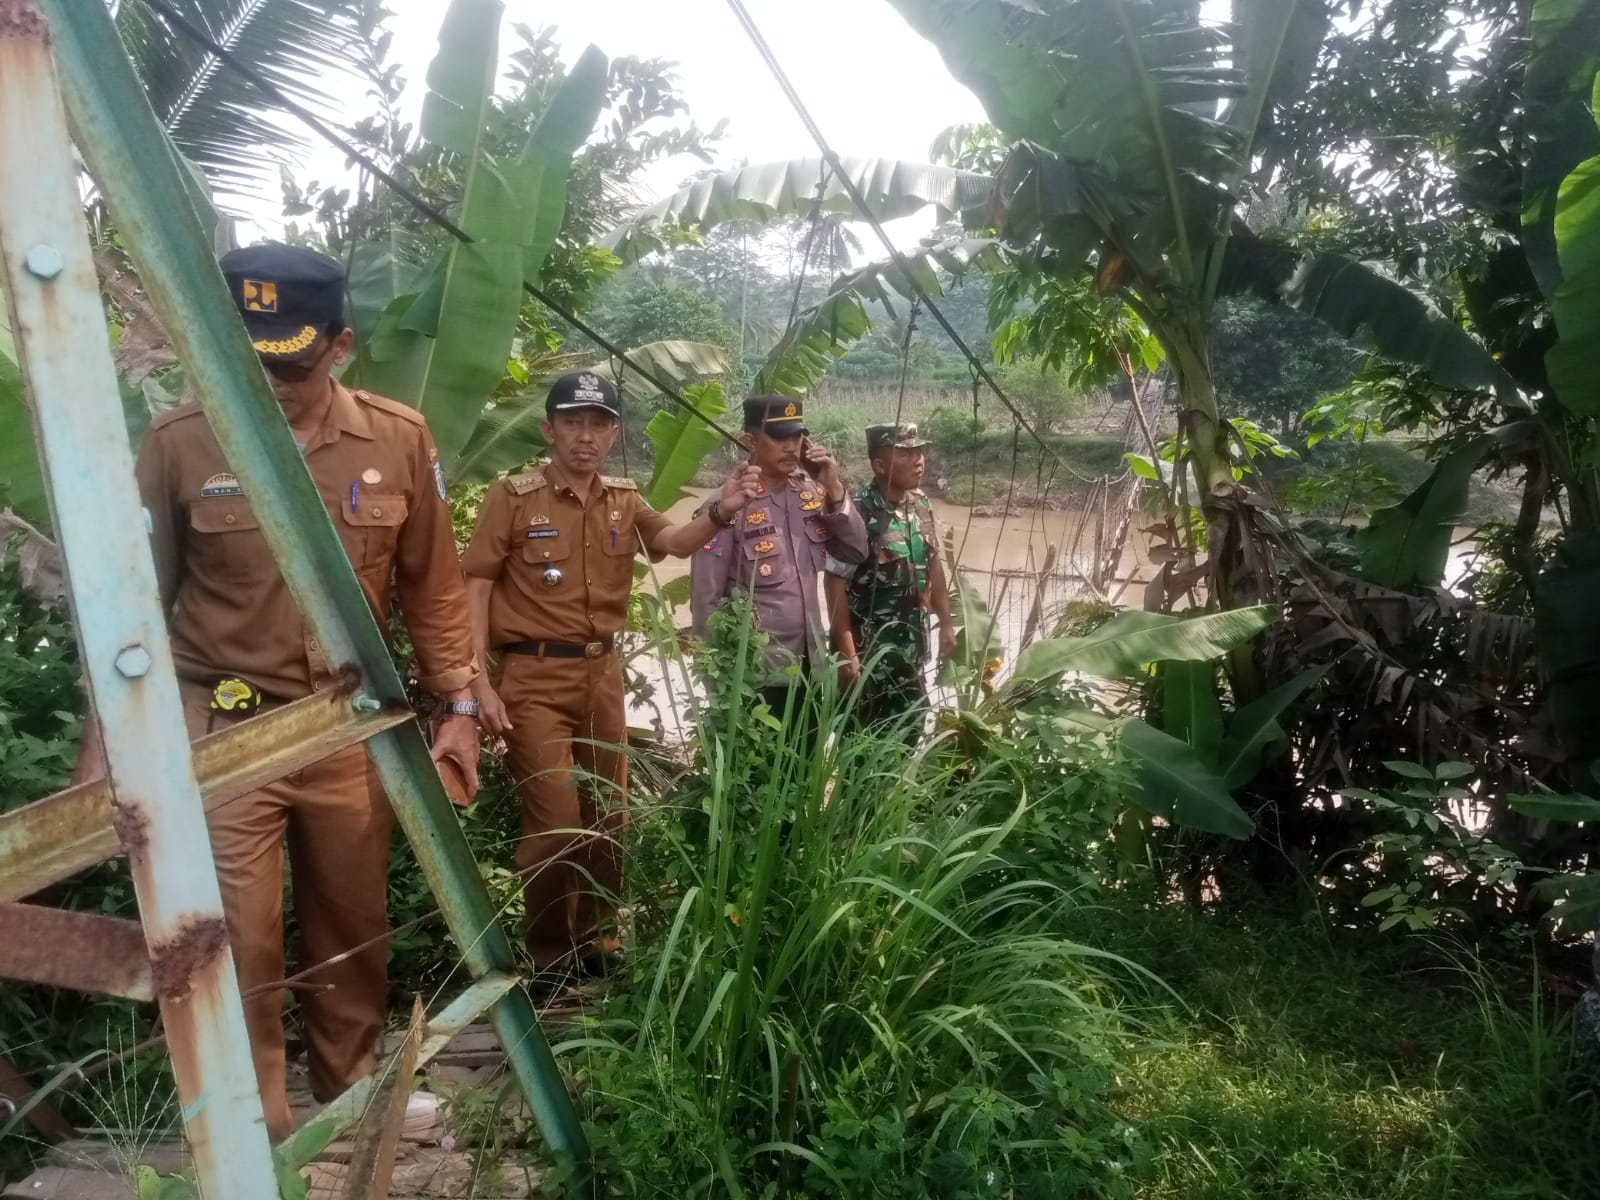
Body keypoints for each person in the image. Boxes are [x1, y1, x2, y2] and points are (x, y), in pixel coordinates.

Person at [72, 244, 483, 1141]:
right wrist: (102, 737)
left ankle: (349, 1098)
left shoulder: (397, 439)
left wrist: (459, 707)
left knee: (351, 924)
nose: (274, 384)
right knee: (237, 935)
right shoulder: (182, 444)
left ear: (338, 345)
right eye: (253, 360)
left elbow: (434, 588)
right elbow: (129, 603)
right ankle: (252, 1118)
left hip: (350, 731)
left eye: (293, 364)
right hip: (227, 733)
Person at [462, 372, 761, 991]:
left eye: (598, 424)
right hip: (532, 675)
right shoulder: (513, 497)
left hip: (601, 674)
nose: (586, 436)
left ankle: (598, 940)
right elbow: (476, 585)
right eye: (572, 422)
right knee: (554, 819)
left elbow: (675, 543)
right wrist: (476, 682)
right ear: (549, 430)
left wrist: (722, 508)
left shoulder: (625, 499)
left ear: (613, 433)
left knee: (610, 814)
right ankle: (548, 954)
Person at [689, 396, 869, 719]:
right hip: (754, 675)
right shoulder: (726, 506)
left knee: (802, 767)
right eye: (779, 437)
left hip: (810, 668)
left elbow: (855, 551)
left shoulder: (811, 495)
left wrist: (834, 486)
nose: (791, 446)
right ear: (750, 440)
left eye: (797, 436)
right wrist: (715, 681)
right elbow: (705, 600)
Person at [824, 423, 956, 735]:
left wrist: (947, 625)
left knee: (909, 736)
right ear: (879, 465)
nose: (918, 459)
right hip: (870, 658)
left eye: (919, 451)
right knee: (861, 748)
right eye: (906, 453)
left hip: (910, 654)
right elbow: (834, 585)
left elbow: (934, 566)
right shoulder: (856, 513)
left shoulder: (921, 504)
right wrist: (846, 655)